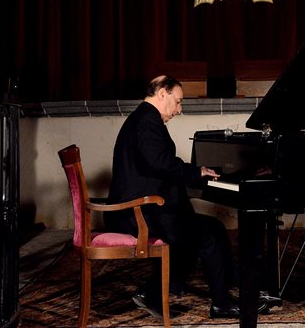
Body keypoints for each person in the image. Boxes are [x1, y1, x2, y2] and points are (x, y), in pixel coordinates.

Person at [104, 75, 263, 319]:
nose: (179, 109)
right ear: (162, 93)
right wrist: (196, 173)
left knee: (209, 227)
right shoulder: (147, 121)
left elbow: (159, 165)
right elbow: (161, 164)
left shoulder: (143, 119)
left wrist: (194, 175)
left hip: (143, 209)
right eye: (178, 102)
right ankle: (221, 303)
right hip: (138, 214)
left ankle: (155, 292)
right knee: (207, 235)